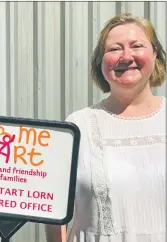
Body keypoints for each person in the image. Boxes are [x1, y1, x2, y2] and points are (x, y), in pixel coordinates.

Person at [45, 13, 166, 242]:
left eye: (137, 46)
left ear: (154, 53)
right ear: (100, 62)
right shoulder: (77, 125)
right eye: (114, 49)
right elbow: (54, 207)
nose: (126, 56)